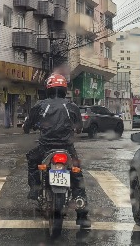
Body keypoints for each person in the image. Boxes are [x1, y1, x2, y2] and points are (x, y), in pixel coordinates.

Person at [23, 74, 91, 229]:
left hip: (45, 148)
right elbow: (79, 127)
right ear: (64, 90)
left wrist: (27, 128)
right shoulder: (71, 106)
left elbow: (28, 125)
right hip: (67, 148)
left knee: (32, 160)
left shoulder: (40, 105)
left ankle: (35, 190)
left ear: (48, 89)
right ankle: (82, 216)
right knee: (77, 176)